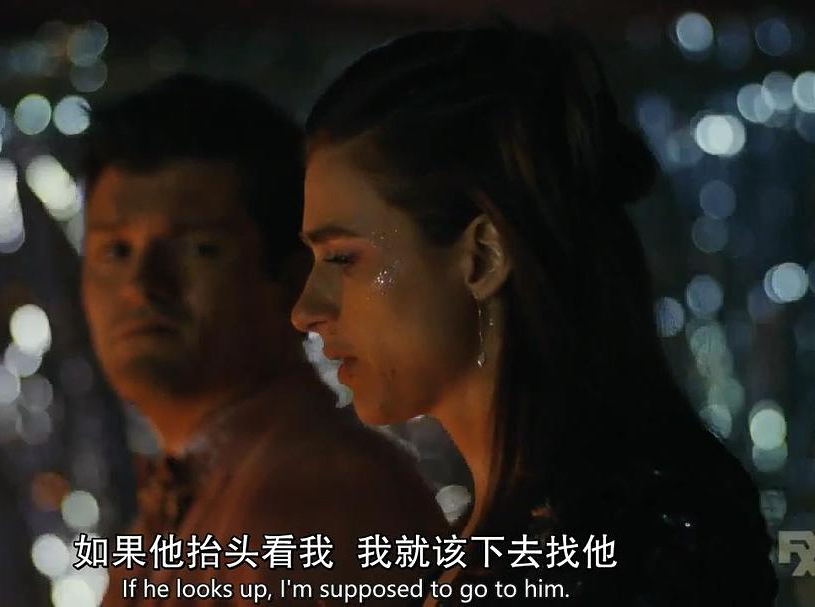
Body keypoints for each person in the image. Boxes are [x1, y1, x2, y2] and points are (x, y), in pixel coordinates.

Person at [292, 24, 777, 606]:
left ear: (483, 256)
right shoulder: (534, 537)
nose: (305, 311)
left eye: (343, 258)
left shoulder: (612, 556)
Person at [81, 75, 450, 606]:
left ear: (290, 275)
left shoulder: (322, 502)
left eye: (198, 249)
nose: (142, 285)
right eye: (115, 251)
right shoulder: (194, 491)